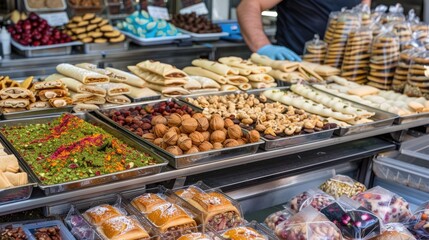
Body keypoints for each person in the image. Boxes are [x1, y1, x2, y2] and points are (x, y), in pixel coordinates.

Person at [237, 0, 371, 61]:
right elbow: (249, 5)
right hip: (294, 66)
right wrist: (264, 47)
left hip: (344, 69)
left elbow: (364, 17)